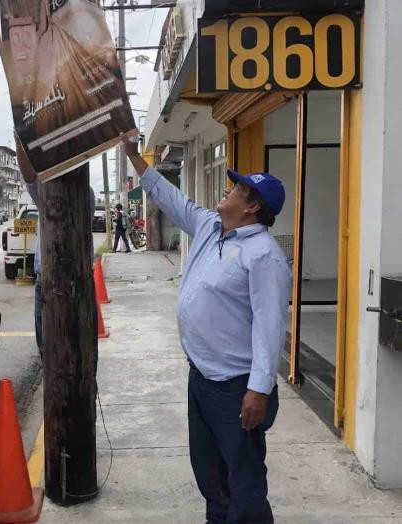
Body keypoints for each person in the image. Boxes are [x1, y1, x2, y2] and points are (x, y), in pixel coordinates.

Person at [124, 139, 291, 524]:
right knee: (209, 473)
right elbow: (169, 196)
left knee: (244, 479)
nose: (227, 190)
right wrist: (135, 156)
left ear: (251, 207)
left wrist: (258, 390)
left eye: (236, 189)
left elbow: (269, 327)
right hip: (201, 378)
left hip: (236, 388)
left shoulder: (263, 255)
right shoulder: (209, 226)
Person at [14, 136, 98, 370]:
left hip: (75, 283)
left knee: (80, 355)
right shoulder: (47, 187)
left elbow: (32, 177)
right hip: (47, 281)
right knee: (49, 351)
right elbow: (29, 175)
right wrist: (20, 139)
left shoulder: (82, 193)